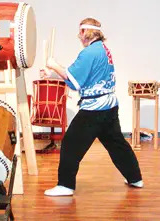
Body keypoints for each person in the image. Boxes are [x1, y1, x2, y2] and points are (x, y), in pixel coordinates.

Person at [42, 18, 143, 196]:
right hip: (109, 107)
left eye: (80, 33)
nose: (79, 38)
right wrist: (53, 74)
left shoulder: (89, 53)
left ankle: (65, 186)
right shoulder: (103, 50)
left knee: (70, 143)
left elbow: (74, 80)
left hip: (94, 109)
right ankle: (135, 177)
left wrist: (54, 65)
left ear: (86, 32)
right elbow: (79, 81)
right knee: (116, 143)